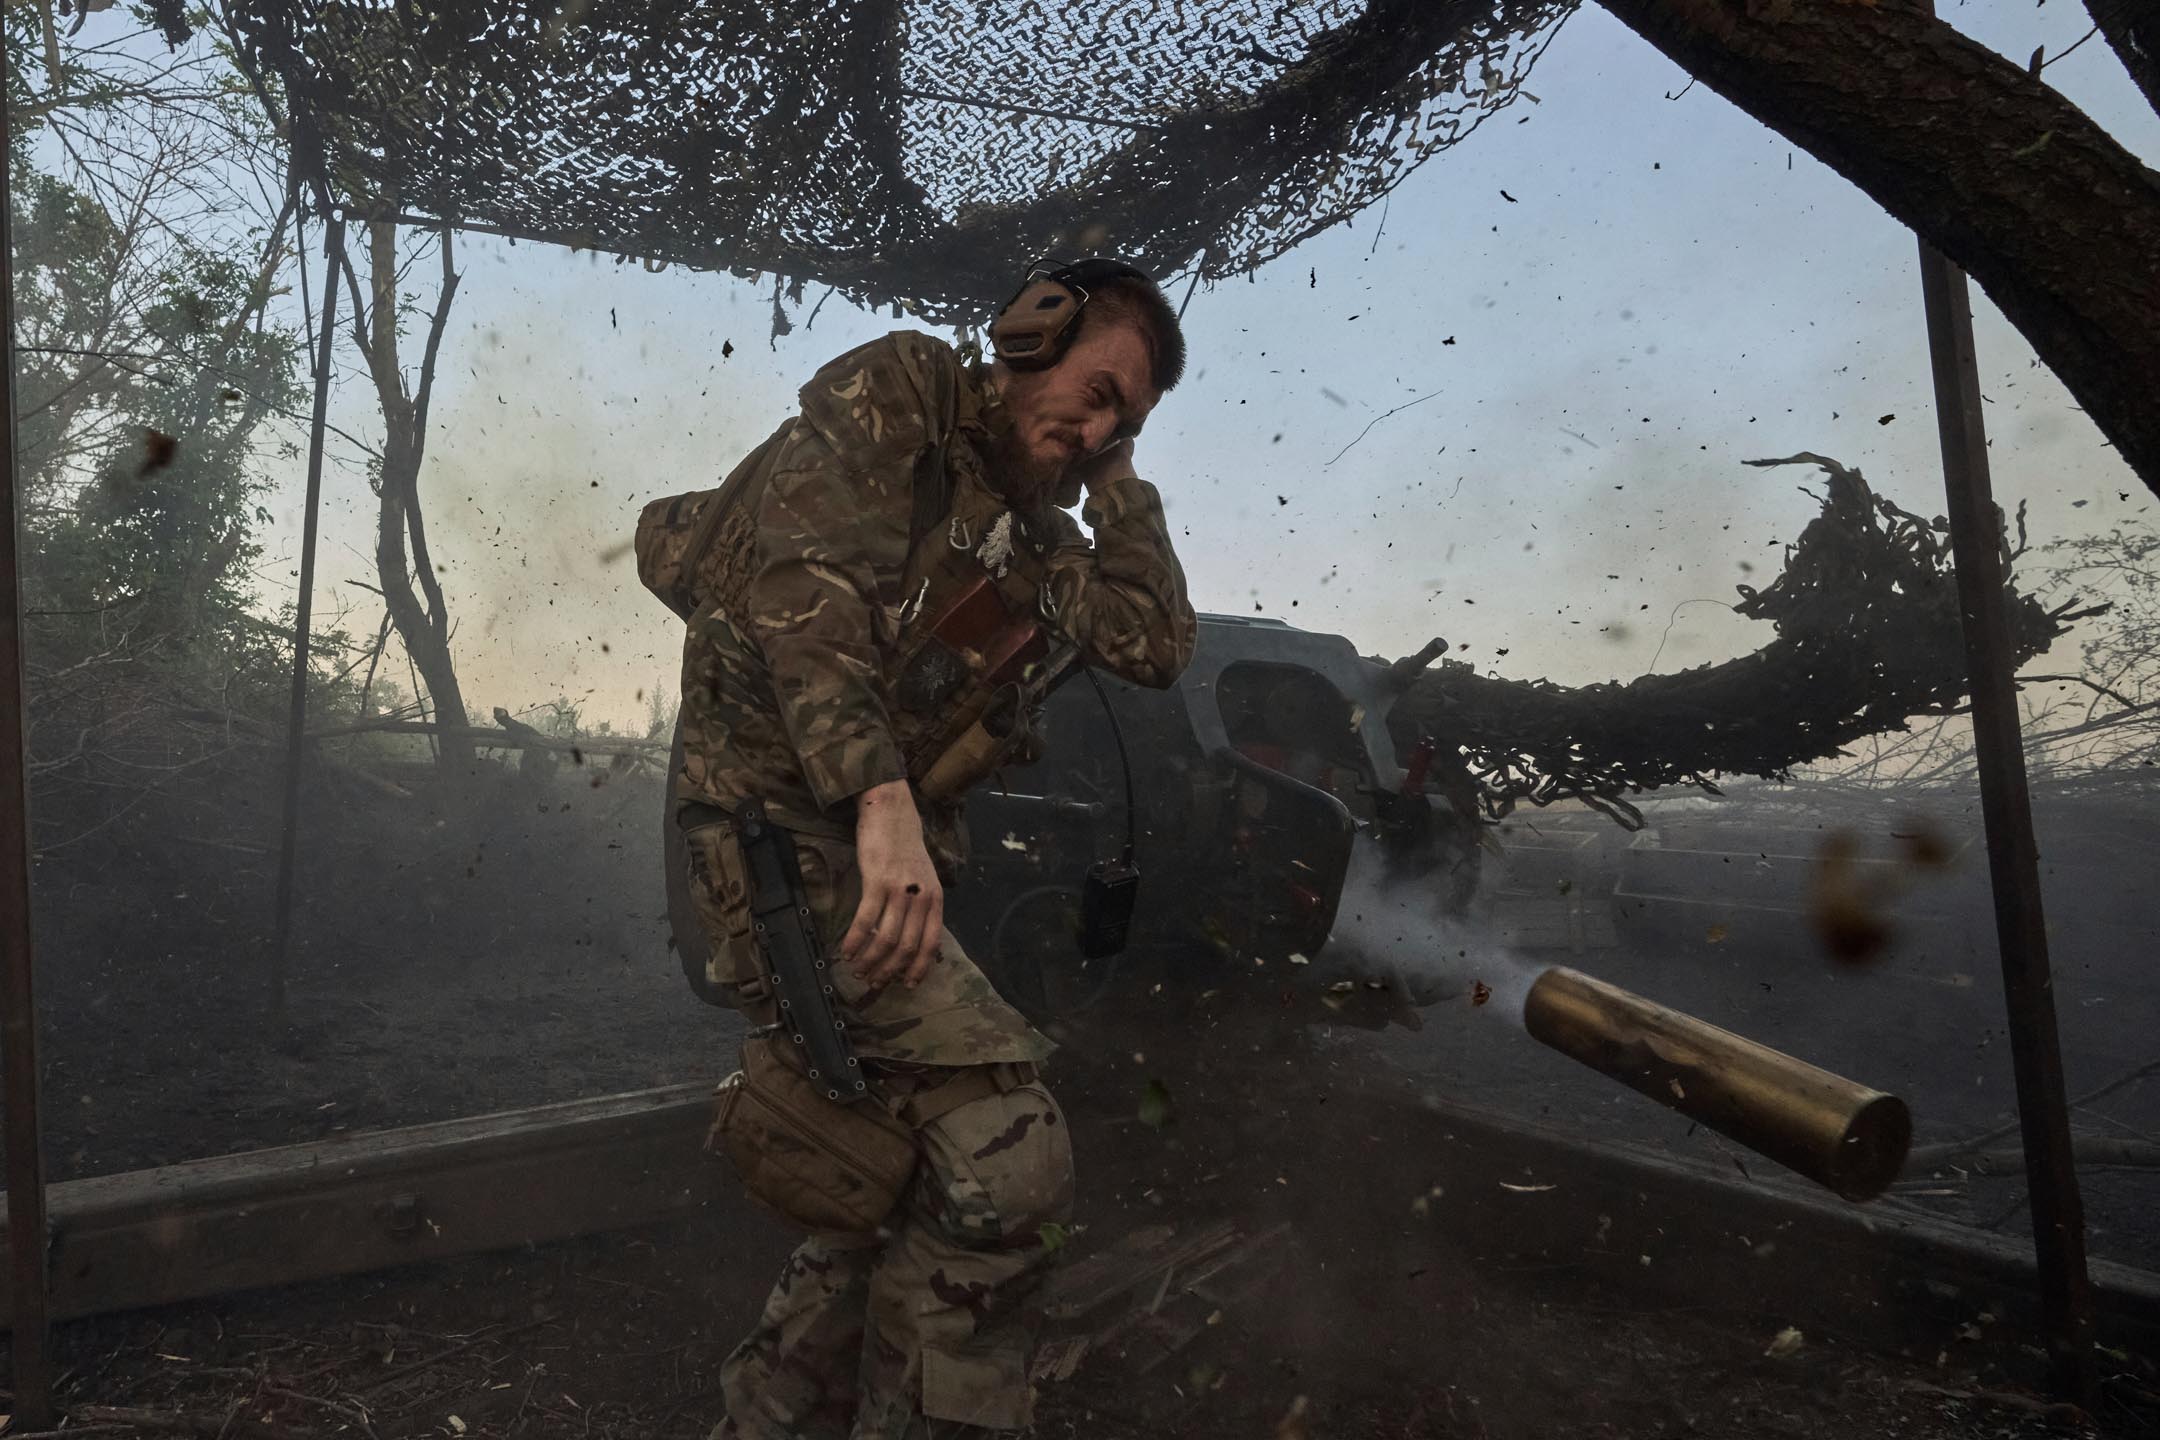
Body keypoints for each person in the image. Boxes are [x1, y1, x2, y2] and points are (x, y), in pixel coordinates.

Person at [674, 258, 1196, 1440]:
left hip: (857, 858)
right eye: (1099, 387)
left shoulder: (1033, 544)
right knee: (1009, 1166)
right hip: (773, 840)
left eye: (1126, 416)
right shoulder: (901, 394)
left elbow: (1158, 641)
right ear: (1029, 331)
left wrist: (1117, 480)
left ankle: (762, 1418)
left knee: (897, 1177)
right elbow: (801, 591)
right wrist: (882, 797)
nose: (1097, 422)